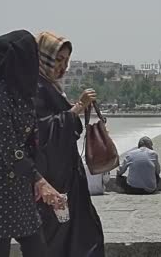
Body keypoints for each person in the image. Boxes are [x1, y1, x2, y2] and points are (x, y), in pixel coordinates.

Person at [0, 30, 64, 257]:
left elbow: (30, 141)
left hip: (21, 191)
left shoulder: (21, 92)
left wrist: (37, 179)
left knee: (37, 250)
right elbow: (11, 150)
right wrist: (40, 181)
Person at [34, 31, 105, 257]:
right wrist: (75, 109)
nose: (63, 66)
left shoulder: (51, 87)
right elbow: (41, 133)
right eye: (58, 59)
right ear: (43, 58)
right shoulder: (36, 88)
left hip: (69, 178)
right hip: (53, 183)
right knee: (60, 242)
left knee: (86, 236)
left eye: (66, 60)